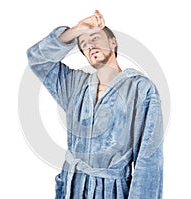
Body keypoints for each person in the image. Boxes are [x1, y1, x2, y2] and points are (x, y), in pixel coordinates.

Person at [27, 10, 164, 199]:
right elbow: (38, 59)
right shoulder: (74, 85)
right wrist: (76, 30)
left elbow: (149, 159)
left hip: (111, 192)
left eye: (95, 37)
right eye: (83, 44)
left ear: (113, 42)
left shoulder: (141, 89)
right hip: (72, 188)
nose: (89, 45)